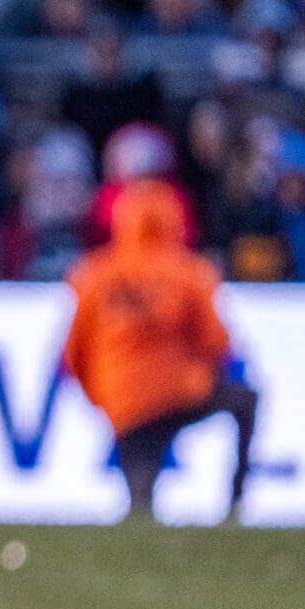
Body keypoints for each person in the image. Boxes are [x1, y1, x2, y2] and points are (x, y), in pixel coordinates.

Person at [62, 180, 259, 523]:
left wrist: (103, 399)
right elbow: (217, 342)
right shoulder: (190, 272)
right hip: (180, 395)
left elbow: (73, 353)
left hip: (123, 406)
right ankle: (236, 498)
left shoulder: (93, 274)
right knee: (244, 399)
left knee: (140, 506)